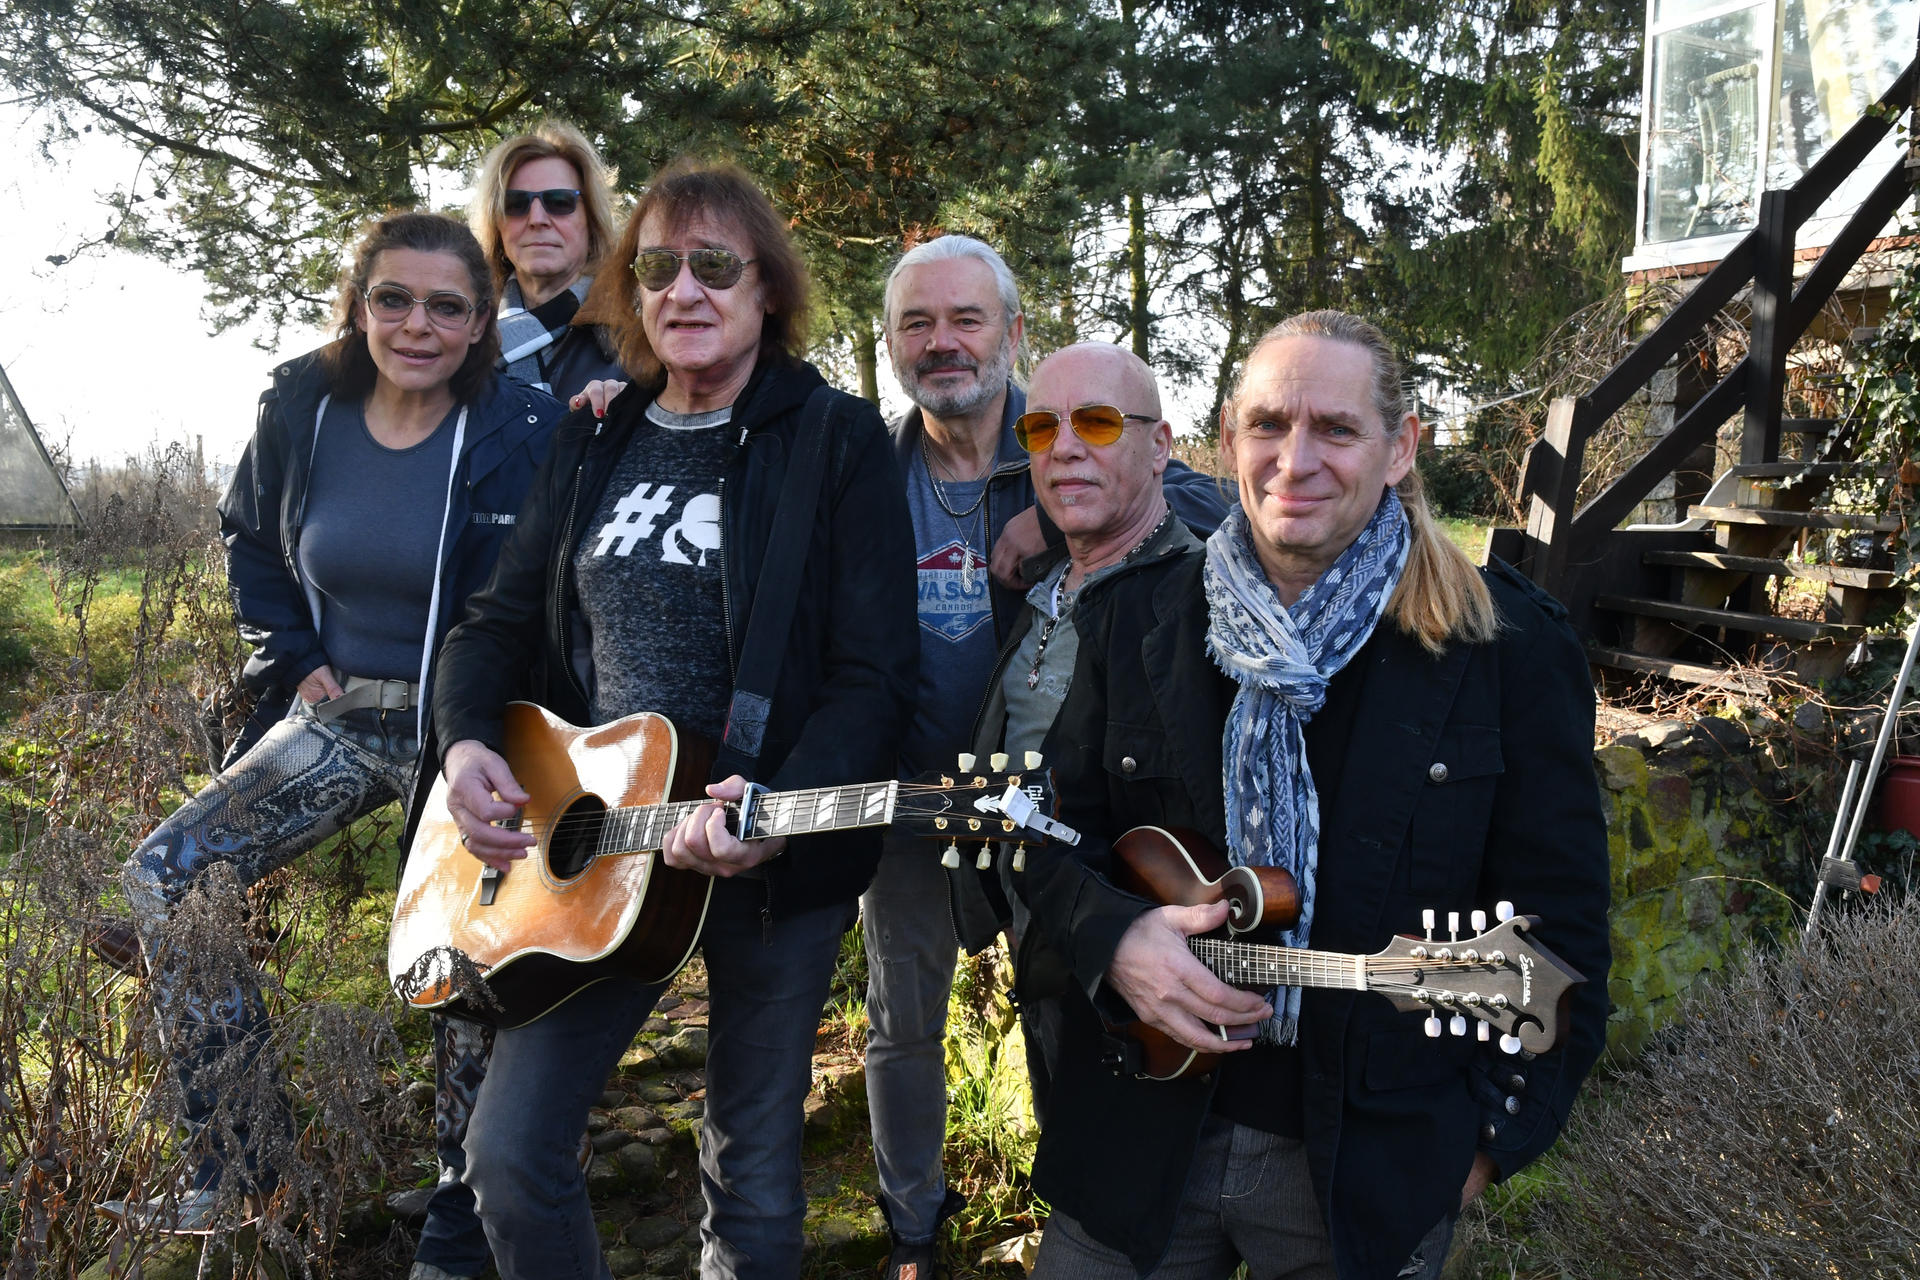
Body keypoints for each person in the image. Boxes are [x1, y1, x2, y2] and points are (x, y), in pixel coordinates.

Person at [1004, 311, 1611, 1280]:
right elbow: (1046, 839)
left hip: (1361, 1168)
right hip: (1139, 1127)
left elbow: (1565, 927)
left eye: (1335, 428)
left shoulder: (1506, 650)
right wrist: (1118, 938)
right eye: (1268, 424)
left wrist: (1486, 1145)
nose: (1296, 459)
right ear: (1228, 438)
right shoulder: (1136, 619)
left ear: (1400, 445)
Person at [429, 158, 916, 1280]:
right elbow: (495, 623)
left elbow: (871, 672)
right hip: (598, 844)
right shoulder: (597, 435)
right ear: (631, 291)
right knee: (506, 1156)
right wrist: (464, 743)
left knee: (750, 1175)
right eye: (656, 266)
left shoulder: (834, 439)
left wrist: (777, 802)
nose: (683, 290)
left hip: (764, 845)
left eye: (714, 266)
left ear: (767, 291)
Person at [104, 212, 564, 1244]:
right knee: (169, 874)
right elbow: (250, 538)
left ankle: (464, 1204)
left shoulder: (522, 431)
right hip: (345, 714)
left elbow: (541, 598)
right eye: (393, 298)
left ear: (483, 320)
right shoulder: (303, 403)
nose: (417, 324)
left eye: (448, 306)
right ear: (358, 305)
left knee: (468, 947)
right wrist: (291, 655)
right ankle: (245, 1168)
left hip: (473, 731)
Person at [866, 240, 1227, 1278]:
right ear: (890, 345)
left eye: (967, 318)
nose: (943, 342)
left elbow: (1203, 511)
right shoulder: (865, 471)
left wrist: (1050, 501)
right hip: (917, 801)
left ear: (1012, 330)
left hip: (1073, 820)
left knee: (1082, 1002)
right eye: (917, 323)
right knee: (909, 1022)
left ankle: (1095, 1216)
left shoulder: (1071, 436)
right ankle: (916, 1227)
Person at [469, 119, 625, 399]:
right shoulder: (462, 335)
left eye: (559, 201)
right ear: (497, 226)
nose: (537, 219)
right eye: (516, 204)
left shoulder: (637, 335)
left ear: (591, 221)